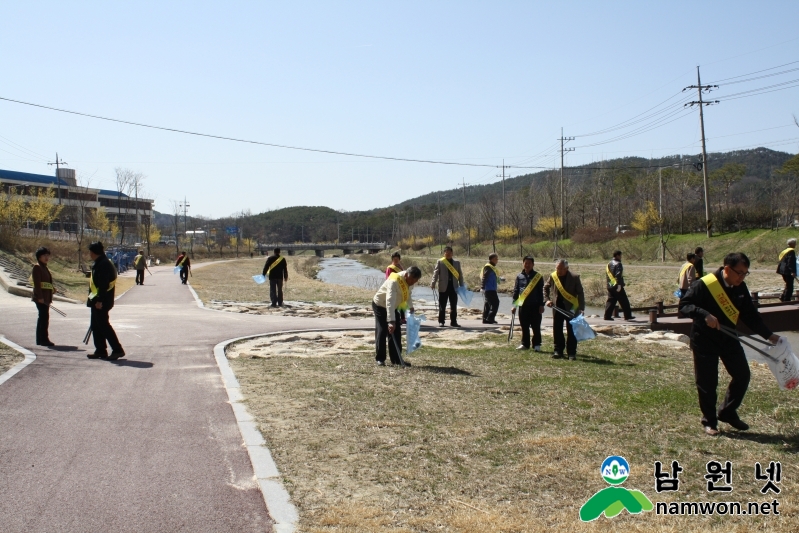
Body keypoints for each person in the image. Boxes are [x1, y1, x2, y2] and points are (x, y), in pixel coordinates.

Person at [679, 252, 780, 436]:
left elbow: (750, 315)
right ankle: (709, 421)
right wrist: (704, 315)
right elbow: (684, 306)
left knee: (742, 375)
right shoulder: (705, 284)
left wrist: (769, 335)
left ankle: (727, 411)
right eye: (739, 273)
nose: (742, 277)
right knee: (707, 382)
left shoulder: (740, 287)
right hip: (704, 339)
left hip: (729, 338)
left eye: (745, 273)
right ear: (727, 269)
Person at [372, 266, 421, 366]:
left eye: (415, 281)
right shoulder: (394, 281)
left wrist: (410, 306)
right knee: (383, 329)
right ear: (407, 275)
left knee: (396, 331)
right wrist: (391, 321)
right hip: (381, 304)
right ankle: (380, 358)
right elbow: (389, 301)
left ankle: (396, 359)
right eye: (412, 279)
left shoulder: (410, 281)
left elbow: (408, 294)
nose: (413, 282)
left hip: (394, 305)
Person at [87, 242, 125, 360]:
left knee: (104, 326)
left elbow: (103, 285)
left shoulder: (103, 264)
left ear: (93, 253)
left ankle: (117, 349)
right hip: (97, 300)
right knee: (95, 325)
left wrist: (99, 300)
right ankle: (100, 350)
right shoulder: (102, 262)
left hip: (101, 301)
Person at [544, 260, 586, 360]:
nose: (559, 271)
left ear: (567, 268)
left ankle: (571, 353)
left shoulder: (575, 277)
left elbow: (580, 293)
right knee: (557, 330)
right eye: (557, 268)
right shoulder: (553, 276)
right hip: (557, 307)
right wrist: (547, 300)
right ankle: (558, 351)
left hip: (571, 308)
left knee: (571, 331)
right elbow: (545, 287)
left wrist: (581, 308)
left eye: (561, 269)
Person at [511, 255, 545, 351]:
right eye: (526, 263)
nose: (527, 265)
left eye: (529, 263)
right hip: (523, 305)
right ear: (523, 263)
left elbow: (541, 292)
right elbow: (516, 291)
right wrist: (514, 305)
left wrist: (541, 305)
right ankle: (525, 344)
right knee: (524, 326)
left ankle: (537, 344)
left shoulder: (538, 276)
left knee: (536, 326)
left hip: (535, 305)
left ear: (533, 264)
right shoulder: (519, 276)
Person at [431, 246, 464, 327]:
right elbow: (435, 274)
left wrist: (462, 285)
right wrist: (433, 283)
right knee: (442, 305)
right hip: (443, 287)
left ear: (452, 253)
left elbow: (460, 275)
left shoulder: (457, 263)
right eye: (447, 253)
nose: (448, 254)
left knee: (454, 305)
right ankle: (441, 321)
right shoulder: (440, 262)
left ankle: (453, 322)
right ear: (444, 253)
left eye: (450, 253)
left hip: (454, 287)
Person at [31, 246, 56, 346]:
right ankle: (44, 339)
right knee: (44, 318)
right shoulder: (37, 267)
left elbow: (45, 283)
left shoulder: (44, 267)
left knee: (43, 318)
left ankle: (40, 339)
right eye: (44, 255)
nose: (47, 257)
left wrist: (52, 289)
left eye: (47, 255)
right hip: (40, 298)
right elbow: (37, 284)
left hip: (46, 298)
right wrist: (40, 297)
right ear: (39, 257)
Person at [603, 250, 635, 321]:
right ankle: (628, 316)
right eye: (620, 255)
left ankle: (607, 316)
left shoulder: (609, 264)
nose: (621, 257)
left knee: (611, 301)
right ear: (617, 255)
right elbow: (618, 275)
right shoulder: (618, 264)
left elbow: (609, 276)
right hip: (617, 286)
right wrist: (619, 285)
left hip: (610, 285)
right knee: (624, 301)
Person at [481, 253, 501, 324]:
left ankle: (485, 319)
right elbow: (484, 277)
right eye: (496, 259)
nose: (497, 260)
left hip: (491, 288)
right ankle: (490, 318)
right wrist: (482, 287)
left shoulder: (492, 267)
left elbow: (493, 277)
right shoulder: (488, 267)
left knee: (488, 304)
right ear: (492, 259)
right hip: (489, 289)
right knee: (495, 303)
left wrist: (500, 279)